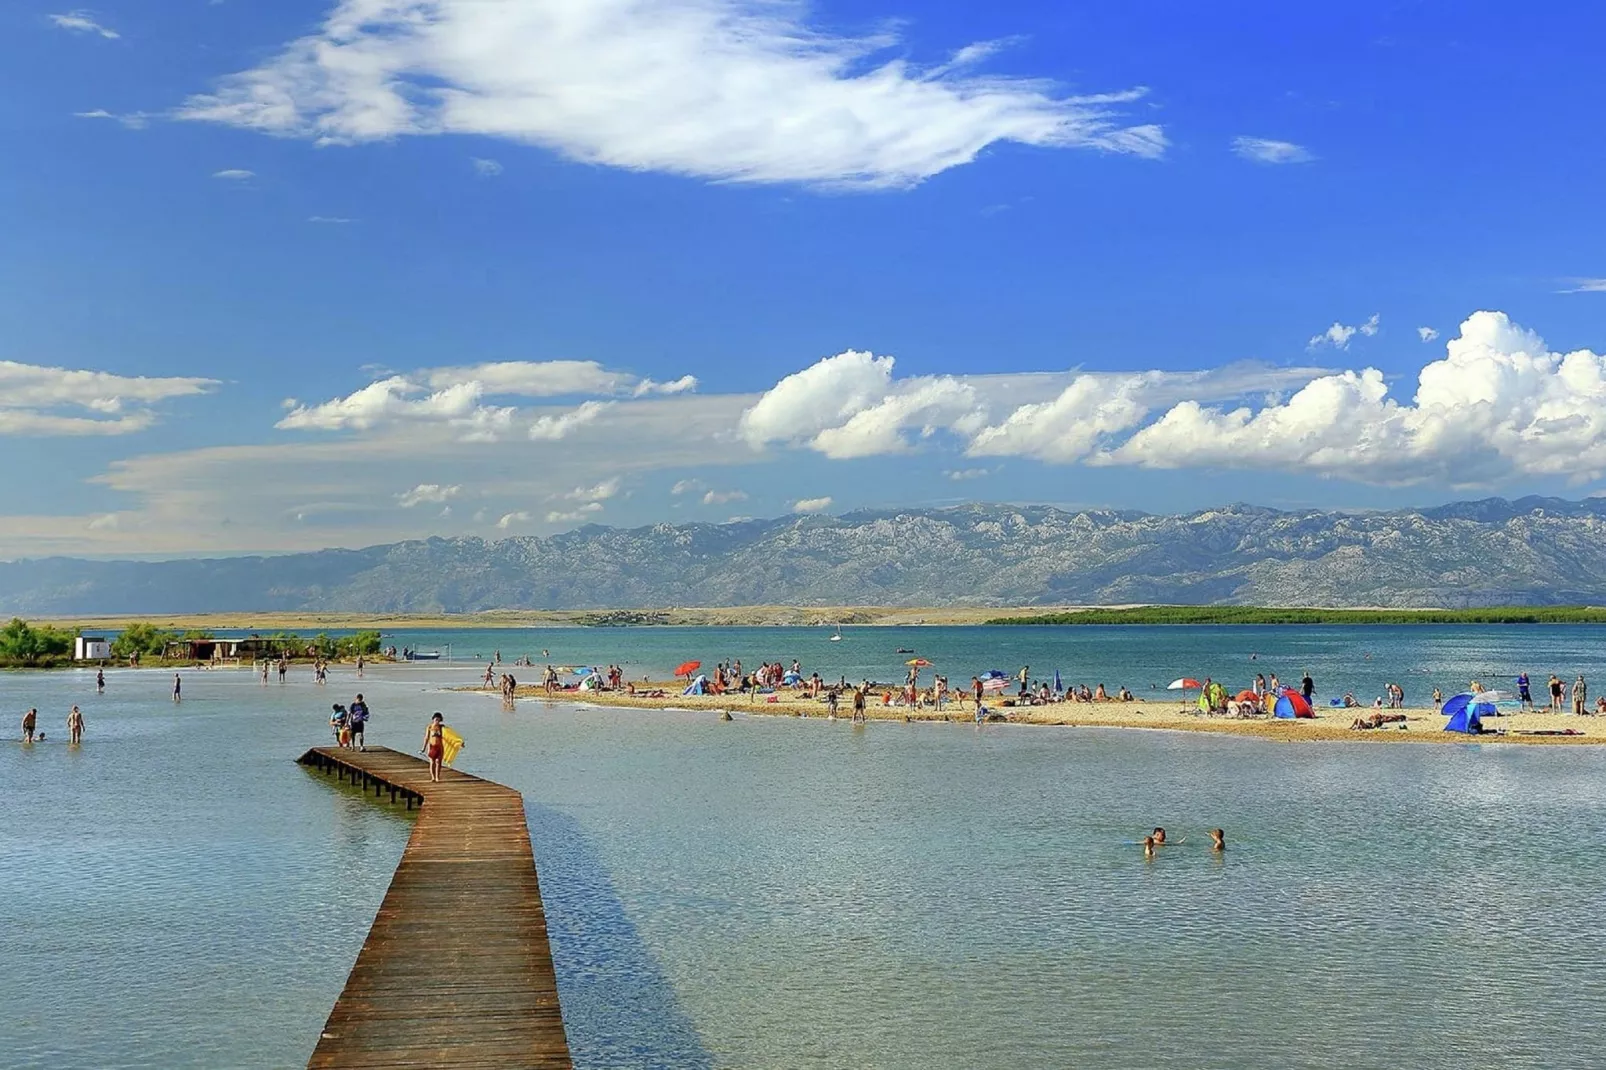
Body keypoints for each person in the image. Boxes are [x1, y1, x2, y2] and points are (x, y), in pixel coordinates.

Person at [423, 712, 446, 782]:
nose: (437, 721)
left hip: (440, 747)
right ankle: (433, 777)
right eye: (436, 719)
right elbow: (426, 738)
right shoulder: (429, 727)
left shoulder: (442, 727)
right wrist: (423, 748)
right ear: (433, 719)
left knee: (438, 762)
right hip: (432, 746)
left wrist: (459, 742)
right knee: (432, 762)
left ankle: (437, 777)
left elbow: (450, 736)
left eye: (439, 720)